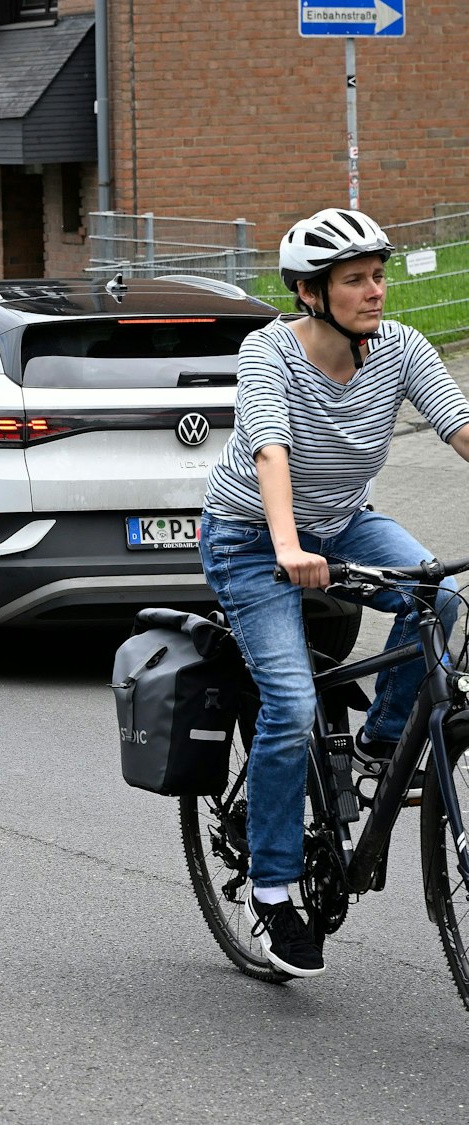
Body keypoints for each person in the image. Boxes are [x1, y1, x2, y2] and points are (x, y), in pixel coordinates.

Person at [200, 207, 469, 978]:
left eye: (379, 275)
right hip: (252, 538)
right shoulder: (268, 355)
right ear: (311, 293)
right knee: (287, 701)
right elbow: (270, 450)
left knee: (438, 596)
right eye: (356, 280)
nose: (376, 291)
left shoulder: (400, 349)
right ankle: (274, 886)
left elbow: (458, 429)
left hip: (344, 522)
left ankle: (382, 744)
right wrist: (286, 543)